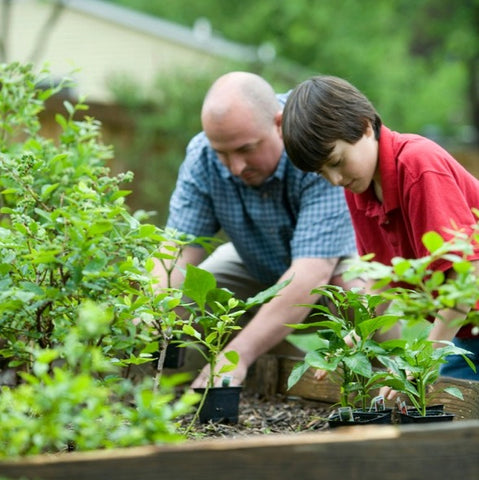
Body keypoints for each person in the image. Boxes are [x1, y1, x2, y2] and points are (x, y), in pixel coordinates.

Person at [153, 71, 360, 389]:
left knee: (358, 295)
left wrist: (237, 354)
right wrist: (151, 309)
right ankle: (281, 376)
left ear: (279, 124)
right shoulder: (203, 157)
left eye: (246, 149)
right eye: (223, 153)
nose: (235, 167)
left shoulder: (313, 139)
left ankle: (378, 385)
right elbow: (176, 252)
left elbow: (312, 272)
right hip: (255, 262)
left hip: (333, 263)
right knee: (193, 295)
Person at [281, 74, 479, 383]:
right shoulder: (358, 189)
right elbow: (381, 280)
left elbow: (466, 276)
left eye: (336, 161)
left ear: (365, 126)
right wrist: (354, 340)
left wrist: (421, 360)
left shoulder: (417, 165)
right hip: (468, 331)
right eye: (322, 173)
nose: (334, 179)